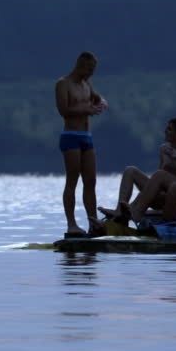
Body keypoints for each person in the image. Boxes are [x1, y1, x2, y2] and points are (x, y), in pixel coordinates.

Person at [100, 118, 176, 223]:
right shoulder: (164, 149)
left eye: (170, 129)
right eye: (166, 128)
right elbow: (158, 177)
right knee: (130, 170)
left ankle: (128, 212)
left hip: (171, 199)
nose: (165, 131)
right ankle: (119, 210)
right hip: (156, 194)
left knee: (148, 189)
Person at [55, 51, 108, 237]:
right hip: (71, 136)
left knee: (90, 181)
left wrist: (101, 102)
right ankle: (71, 224)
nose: (92, 73)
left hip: (87, 136)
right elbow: (64, 110)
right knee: (72, 181)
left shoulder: (87, 83)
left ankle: (93, 222)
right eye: (91, 69)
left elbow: (96, 97)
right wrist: (87, 109)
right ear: (81, 66)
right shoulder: (63, 83)